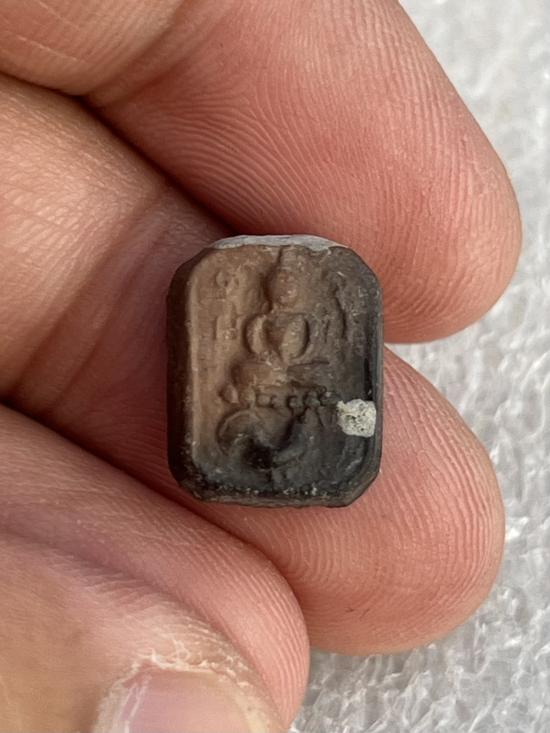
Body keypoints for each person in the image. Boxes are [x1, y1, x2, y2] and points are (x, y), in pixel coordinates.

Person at [0, 1, 521, 732]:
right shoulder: (253, 318)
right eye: (273, 294)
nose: (279, 297)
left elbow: (302, 352)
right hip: (252, 398)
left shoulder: (309, 321)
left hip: (293, 400)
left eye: (288, 295)